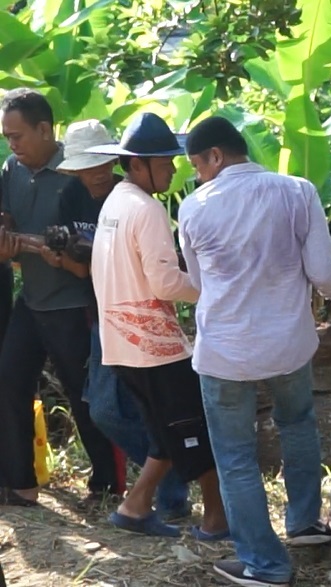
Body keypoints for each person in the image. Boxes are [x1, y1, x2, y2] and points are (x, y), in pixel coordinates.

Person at [178, 116, 331, 587]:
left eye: (198, 164)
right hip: (289, 344)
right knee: (298, 425)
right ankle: (303, 525)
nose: (197, 174)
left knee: (236, 457)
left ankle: (265, 564)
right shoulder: (297, 191)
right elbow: (323, 273)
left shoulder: (194, 207)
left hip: (224, 351)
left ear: (215, 156)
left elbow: (199, 285)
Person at [86, 112, 227, 538]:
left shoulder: (114, 203)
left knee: (166, 433)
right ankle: (218, 519)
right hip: (155, 346)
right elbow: (165, 283)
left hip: (122, 343)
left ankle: (135, 506)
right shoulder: (146, 210)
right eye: (163, 162)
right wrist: (213, 290)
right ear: (136, 165)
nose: (172, 167)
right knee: (192, 430)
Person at [54, 119, 190, 520]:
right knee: (108, 412)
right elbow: (86, 268)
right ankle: (167, 483)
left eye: (100, 165)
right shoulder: (74, 198)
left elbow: (159, 275)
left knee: (157, 415)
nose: (95, 174)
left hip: (141, 320)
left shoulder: (128, 198)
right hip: (106, 315)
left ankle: (165, 493)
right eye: (86, 167)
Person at [0, 88, 119, 506]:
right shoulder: (11, 168)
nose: (11, 144)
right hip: (31, 300)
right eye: (7, 137)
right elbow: (5, 214)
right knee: (9, 381)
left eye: (17, 135)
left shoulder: (78, 170)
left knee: (83, 395)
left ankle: (106, 486)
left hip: (73, 303)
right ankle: (20, 484)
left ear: (45, 129)